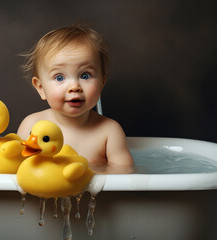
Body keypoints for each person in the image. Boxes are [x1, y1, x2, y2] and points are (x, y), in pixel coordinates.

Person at [17, 24, 134, 173]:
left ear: (101, 84)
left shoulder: (109, 131)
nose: (74, 86)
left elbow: (126, 177)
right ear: (41, 88)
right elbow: (18, 170)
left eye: (85, 75)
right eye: (59, 77)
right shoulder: (31, 126)